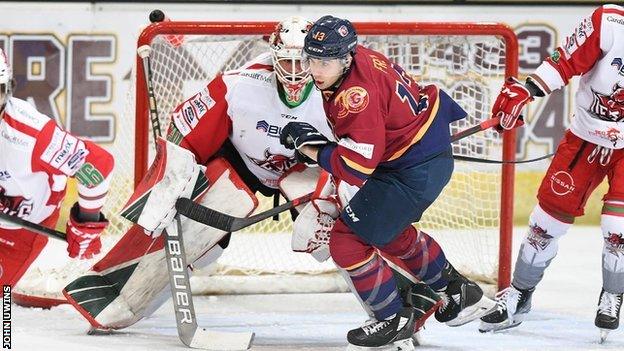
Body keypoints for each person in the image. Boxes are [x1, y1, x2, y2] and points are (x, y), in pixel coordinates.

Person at [62, 18, 437, 344]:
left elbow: (366, 157)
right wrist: (170, 180)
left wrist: (336, 198)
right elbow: (184, 132)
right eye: (284, 61)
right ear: (272, 57)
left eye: (302, 62)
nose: (294, 72)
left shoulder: (345, 95)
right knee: (203, 231)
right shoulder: (240, 84)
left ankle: (405, 302)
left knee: (342, 224)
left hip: (310, 170)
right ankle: (115, 294)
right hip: (244, 163)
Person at [280, 15, 496, 349]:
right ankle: (456, 288)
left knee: (347, 241)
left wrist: (309, 145)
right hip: (419, 156)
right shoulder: (359, 59)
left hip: (411, 170)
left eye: (325, 62)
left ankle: (392, 318)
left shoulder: (357, 95)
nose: (315, 70)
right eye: (312, 59)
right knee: (387, 231)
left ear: (346, 58)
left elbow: (355, 168)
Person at [479, 4, 624, 342]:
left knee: (618, 229)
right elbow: (565, 61)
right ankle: (520, 294)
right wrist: (527, 90)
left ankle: (613, 293)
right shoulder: (609, 21)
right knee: (545, 226)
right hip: (586, 139)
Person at [0, 48, 114, 307]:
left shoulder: (33, 137)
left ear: (8, 90)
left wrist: (86, 222)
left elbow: (97, 166)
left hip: (17, 228)